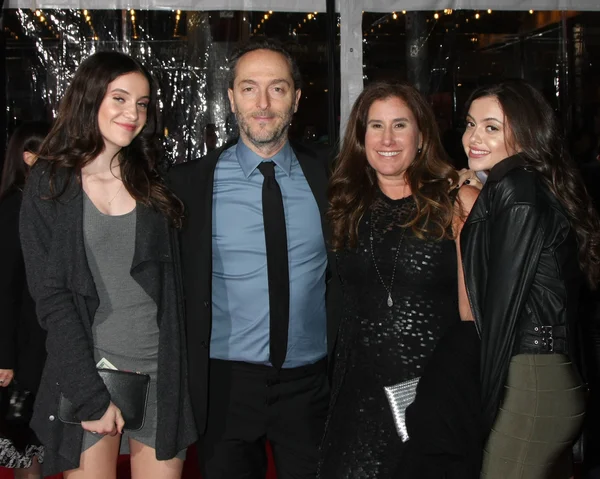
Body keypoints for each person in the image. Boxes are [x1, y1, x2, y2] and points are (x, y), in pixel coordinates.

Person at [168, 38, 341, 479]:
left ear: (297, 99)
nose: (263, 103)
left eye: (277, 88)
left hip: (311, 384)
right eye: (249, 88)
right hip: (224, 385)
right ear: (230, 98)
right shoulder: (188, 186)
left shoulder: (334, 177)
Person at [19, 51, 197, 478]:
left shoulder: (155, 177)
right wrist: (89, 394)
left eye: (142, 103)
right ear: (90, 98)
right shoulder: (52, 183)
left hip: (161, 370)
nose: (132, 113)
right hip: (91, 371)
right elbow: (52, 298)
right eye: (119, 98)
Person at [317, 81, 478, 477]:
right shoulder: (343, 205)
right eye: (376, 126)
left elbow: (474, 319)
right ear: (361, 137)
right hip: (357, 400)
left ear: (421, 136)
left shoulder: (459, 202)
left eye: (400, 125)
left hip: (432, 397)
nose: (387, 139)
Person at [460, 79, 600, 478]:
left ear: (526, 133)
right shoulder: (520, 183)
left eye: (491, 127)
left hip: (533, 379)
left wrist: (485, 406)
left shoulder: (517, 192)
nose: (473, 137)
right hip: (544, 374)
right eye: (471, 124)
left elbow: (501, 312)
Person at [0, 121, 50, 478]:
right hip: (23, 350)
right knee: (27, 446)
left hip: (42, 345)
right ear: (28, 157)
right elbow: (5, 286)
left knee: (37, 446)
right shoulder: (14, 207)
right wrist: (5, 357)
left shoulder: (45, 204)